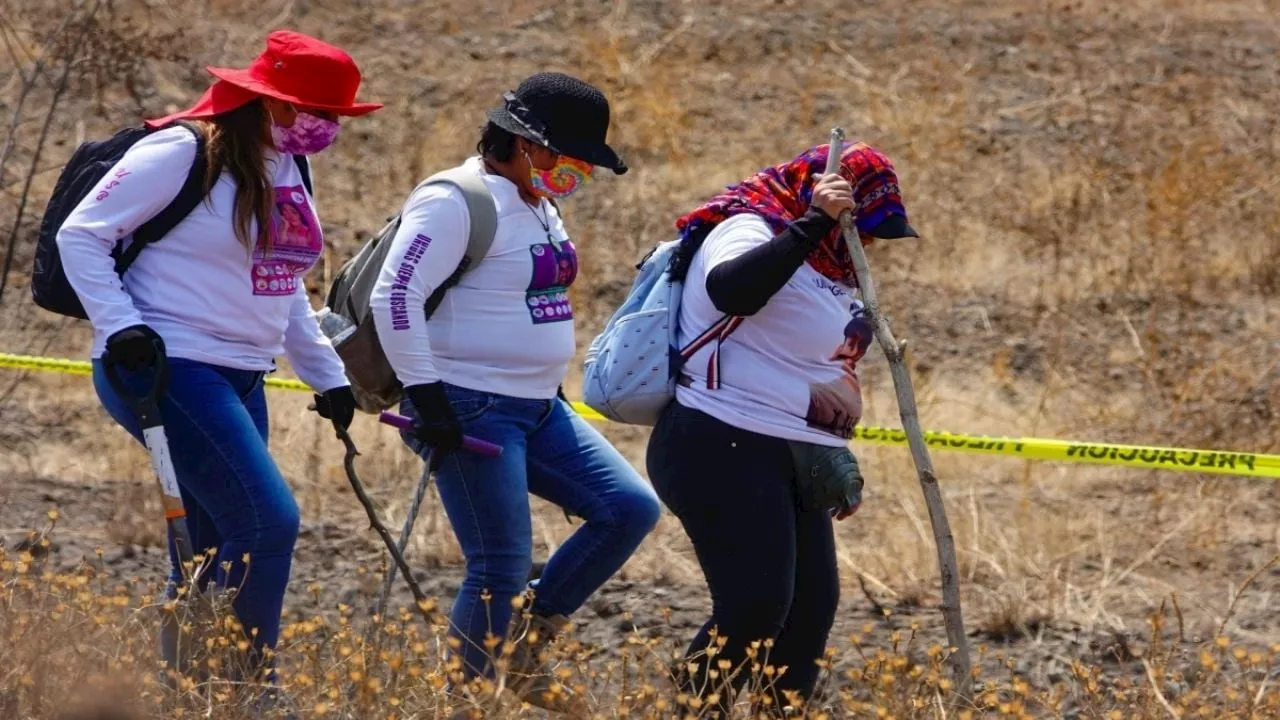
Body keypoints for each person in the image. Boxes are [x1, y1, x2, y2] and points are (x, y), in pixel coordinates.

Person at [56, 30, 379, 688]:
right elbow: (81, 235)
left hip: (241, 373)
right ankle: (248, 688)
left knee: (206, 552)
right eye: (321, 114)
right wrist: (122, 326)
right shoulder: (180, 152)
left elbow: (281, 278)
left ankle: (187, 693)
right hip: (167, 368)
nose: (329, 130)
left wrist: (329, 376)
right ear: (271, 103)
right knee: (267, 521)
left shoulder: (287, 166)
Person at [368, 72, 662, 709]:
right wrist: (431, 399)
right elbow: (396, 295)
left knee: (628, 509)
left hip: (537, 406)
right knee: (499, 564)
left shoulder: (536, 200)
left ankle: (525, 646)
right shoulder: (455, 199)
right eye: (571, 157)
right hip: (468, 406)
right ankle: (470, 700)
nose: (579, 172)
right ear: (527, 143)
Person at [645, 140, 918, 713]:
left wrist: (833, 449)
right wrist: (814, 222)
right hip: (720, 442)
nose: (865, 242)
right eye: (861, 225)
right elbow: (733, 291)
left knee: (809, 612)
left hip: (790, 455)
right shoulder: (749, 227)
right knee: (754, 607)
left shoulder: (829, 267)